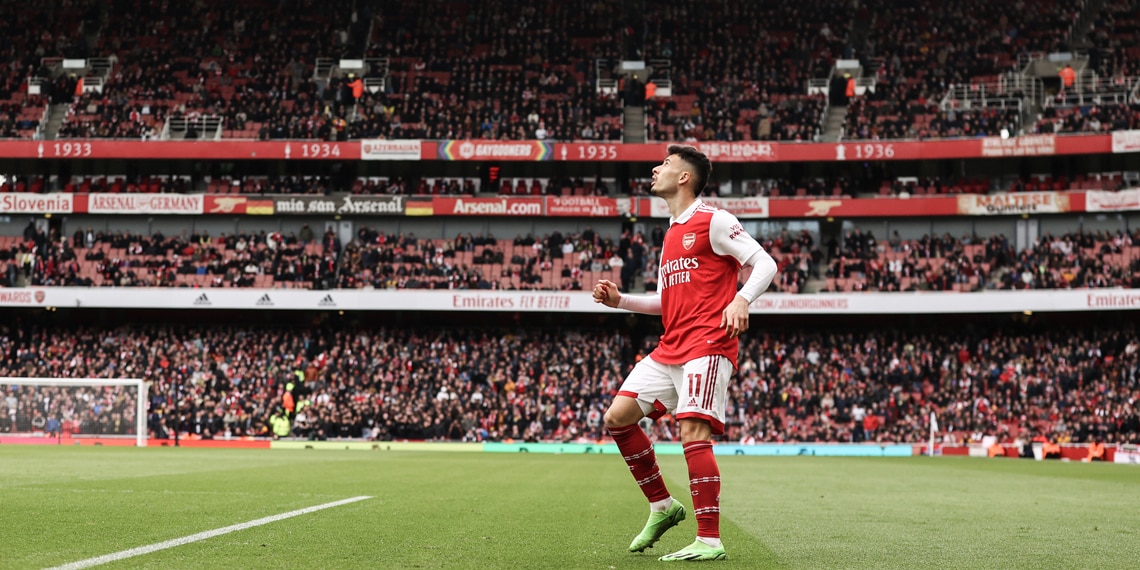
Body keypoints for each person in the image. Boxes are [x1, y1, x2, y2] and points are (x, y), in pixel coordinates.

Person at [593, 145, 778, 562]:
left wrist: (742, 299)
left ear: (683, 178)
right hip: (670, 348)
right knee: (617, 418)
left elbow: (765, 263)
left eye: (665, 165)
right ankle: (662, 505)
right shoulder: (672, 232)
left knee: (693, 433)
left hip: (707, 345)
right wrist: (620, 301)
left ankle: (709, 538)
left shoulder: (714, 220)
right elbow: (664, 299)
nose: (656, 169)